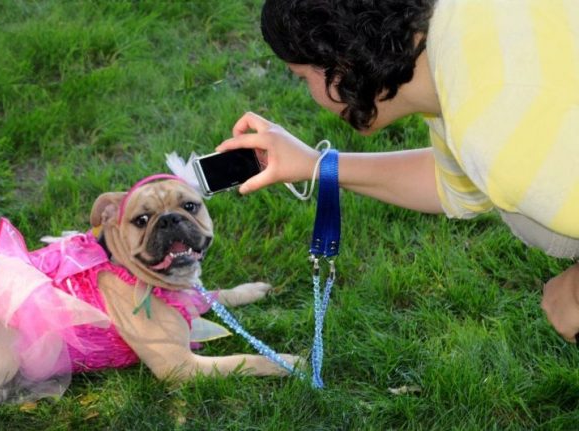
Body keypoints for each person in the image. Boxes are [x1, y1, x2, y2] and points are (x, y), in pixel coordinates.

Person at [216, 0, 579, 341]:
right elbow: (451, 181)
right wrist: (316, 165)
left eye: (301, 77)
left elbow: (508, 155)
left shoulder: (499, 126)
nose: (308, 92)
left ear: (340, 64)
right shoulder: (457, 42)